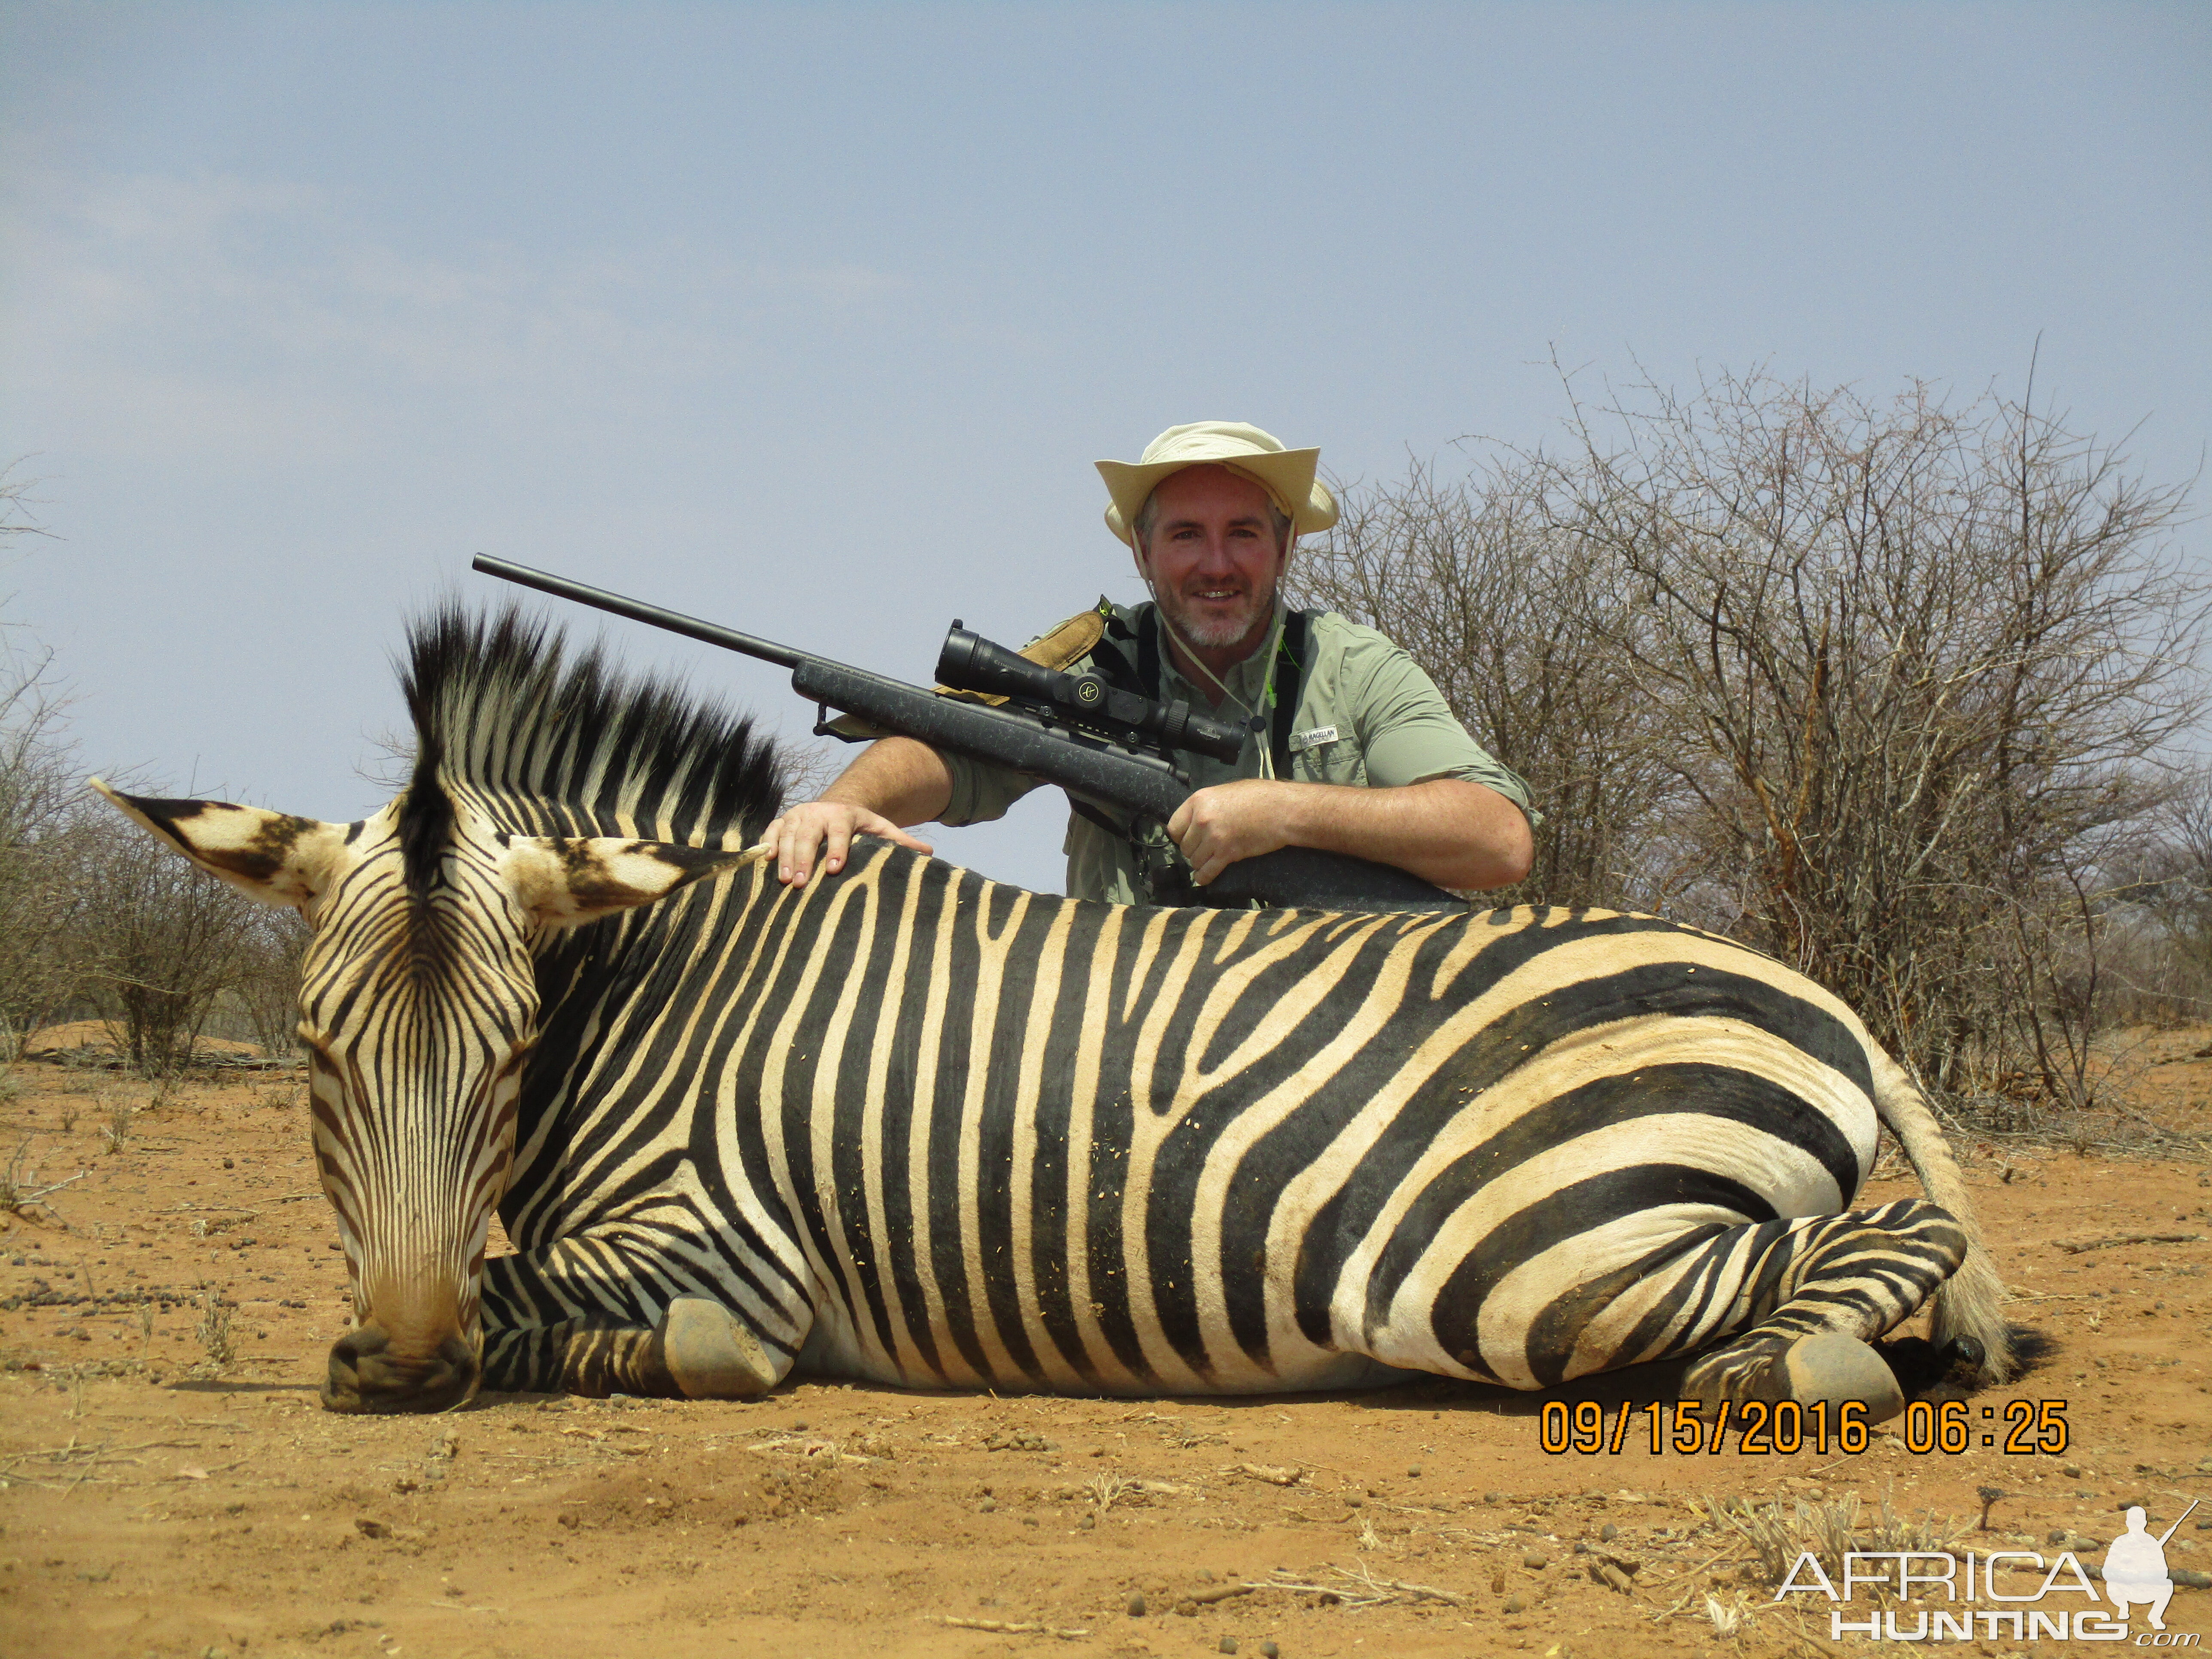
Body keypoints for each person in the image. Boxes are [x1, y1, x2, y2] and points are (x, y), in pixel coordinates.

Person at [766, 420, 1536, 902]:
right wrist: (844, 803)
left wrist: (1284, 811)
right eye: (1184, 537)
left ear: (1285, 546)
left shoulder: (1356, 666)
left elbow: (1497, 840)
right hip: (1132, 1040)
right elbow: (952, 746)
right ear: (1140, 553)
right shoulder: (1094, 663)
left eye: (1242, 533)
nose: (1216, 564)